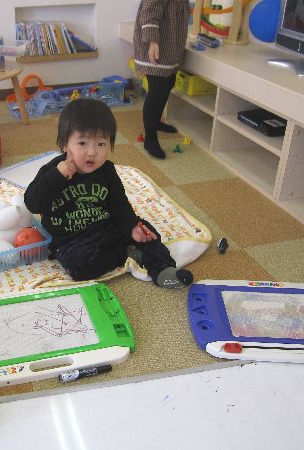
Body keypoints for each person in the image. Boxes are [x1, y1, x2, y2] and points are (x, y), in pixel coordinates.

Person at [24, 98, 193, 288]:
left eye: (101, 144)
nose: (92, 152)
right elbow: (32, 203)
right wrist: (57, 176)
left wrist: (131, 227)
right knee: (80, 266)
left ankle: (163, 270)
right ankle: (128, 253)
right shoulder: (54, 170)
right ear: (65, 144)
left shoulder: (107, 171)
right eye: (82, 143)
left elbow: (119, 204)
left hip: (106, 227)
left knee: (147, 232)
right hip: (70, 239)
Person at [133, 0, 190, 159]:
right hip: (155, 46)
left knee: (169, 82)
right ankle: (150, 139)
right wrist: (152, 41)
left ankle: (156, 122)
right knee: (157, 90)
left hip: (170, 45)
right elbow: (149, 11)